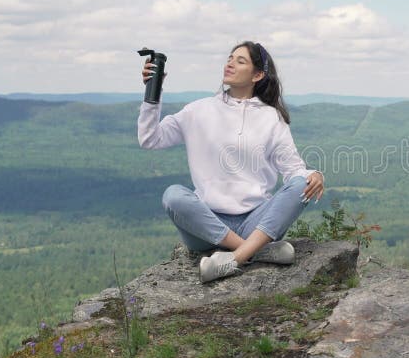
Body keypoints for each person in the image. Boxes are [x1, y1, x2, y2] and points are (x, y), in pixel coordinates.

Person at [137, 41, 324, 283]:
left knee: (301, 185)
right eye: (229, 58)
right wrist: (153, 93)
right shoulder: (198, 110)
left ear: (257, 75)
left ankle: (235, 258)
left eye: (240, 60)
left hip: (256, 221)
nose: (230, 63)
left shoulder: (271, 118)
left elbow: (293, 171)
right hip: (207, 225)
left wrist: (314, 174)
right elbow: (150, 139)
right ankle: (254, 252)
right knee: (173, 195)